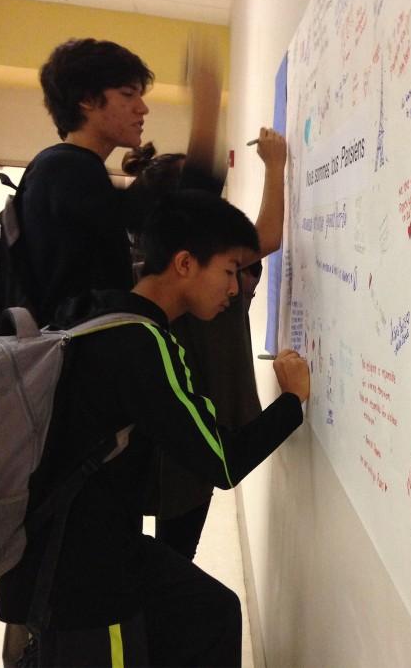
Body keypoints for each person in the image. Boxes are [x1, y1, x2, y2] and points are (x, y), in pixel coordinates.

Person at [0, 189, 310, 667]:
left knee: (212, 612)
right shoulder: (144, 343)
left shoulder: (98, 311)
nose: (235, 289)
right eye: (229, 271)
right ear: (185, 263)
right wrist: (291, 401)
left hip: (69, 550)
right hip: (87, 579)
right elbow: (221, 461)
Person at [120, 45, 287, 561]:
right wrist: (271, 163)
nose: (234, 284)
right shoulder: (177, 289)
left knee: (150, 561)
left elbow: (261, 239)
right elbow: (265, 236)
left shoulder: (143, 280)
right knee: (162, 562)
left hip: (166, 456)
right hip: (186, 453)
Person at [16, 38, 155, 326]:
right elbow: (146, 213)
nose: (142, 109)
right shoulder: (67, 168)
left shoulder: (64, 167)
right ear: (87, 100)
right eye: (128, 94)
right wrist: (206, 118)